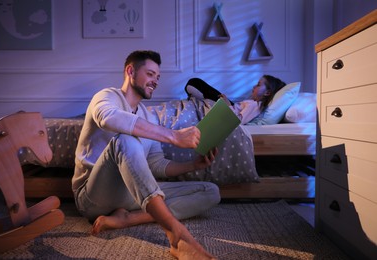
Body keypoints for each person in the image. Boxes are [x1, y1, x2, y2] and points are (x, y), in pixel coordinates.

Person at [72, 50, 220, 259]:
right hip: (93, 196)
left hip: (130, 194)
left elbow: (157, 164)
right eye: (150, 74)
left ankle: (128, 219)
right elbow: (108, 118)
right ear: (130, 71)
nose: (155, 81)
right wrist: (174, 136)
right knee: (125, 139)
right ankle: (177, 236)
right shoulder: (106, 97)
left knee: (210, 191)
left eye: (157, 77)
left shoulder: (148, 117)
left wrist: (193, 166)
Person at [185, 75, 286, 124]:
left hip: (226, 110)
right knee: (195, 83)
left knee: (194, 82)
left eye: (258, 85)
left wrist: (227, 105)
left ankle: (198, 100)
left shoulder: (254, 106)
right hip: (229, 107)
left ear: (267, 92)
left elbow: (237, 121)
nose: (254, 87)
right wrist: (228, 103)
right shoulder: (252, 103)